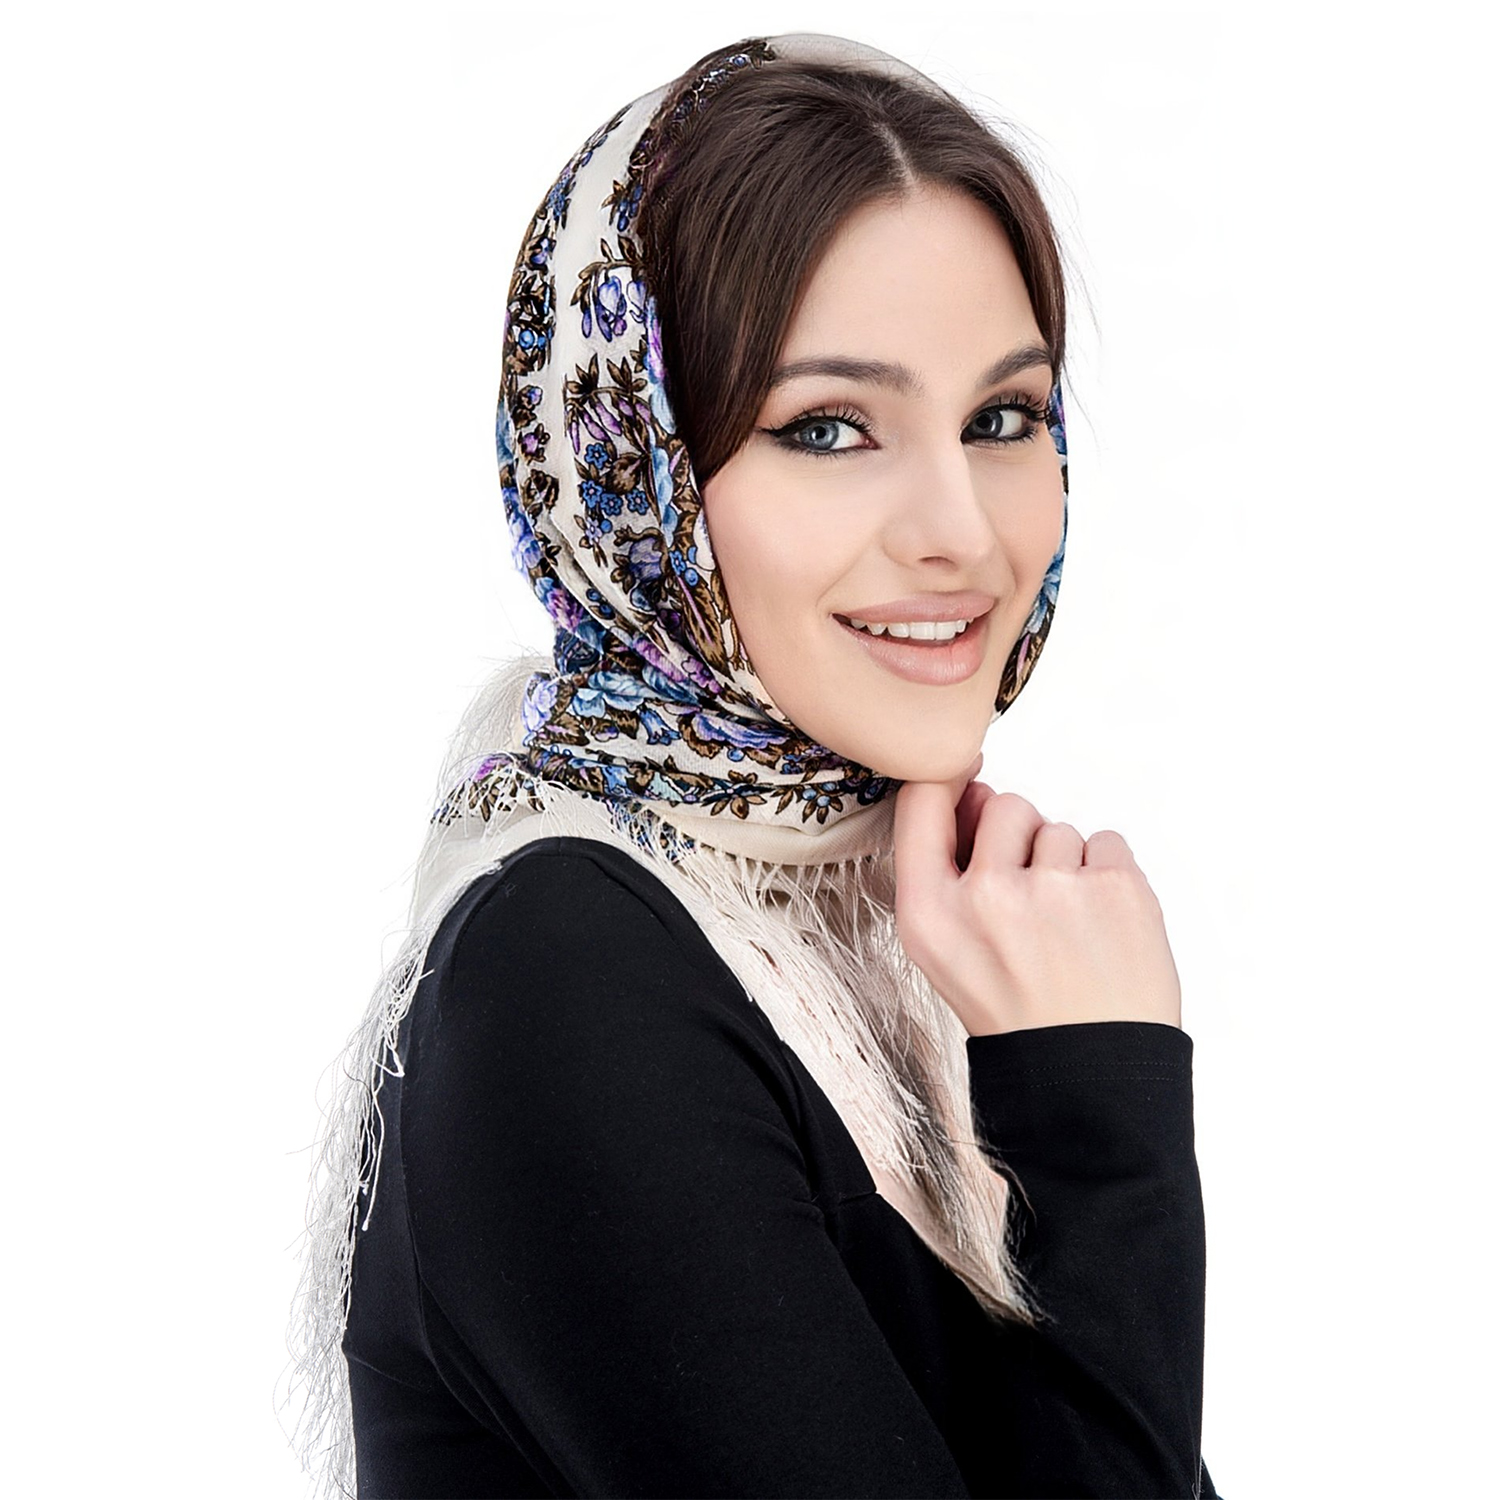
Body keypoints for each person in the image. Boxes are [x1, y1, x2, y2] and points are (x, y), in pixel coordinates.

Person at [285, 31, 1218, 1500]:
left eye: (1003, 419)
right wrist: (1100, 1121)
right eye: (829, 429)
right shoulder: (565, 975)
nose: (963, 533)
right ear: (631, 473)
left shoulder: (898, 943)